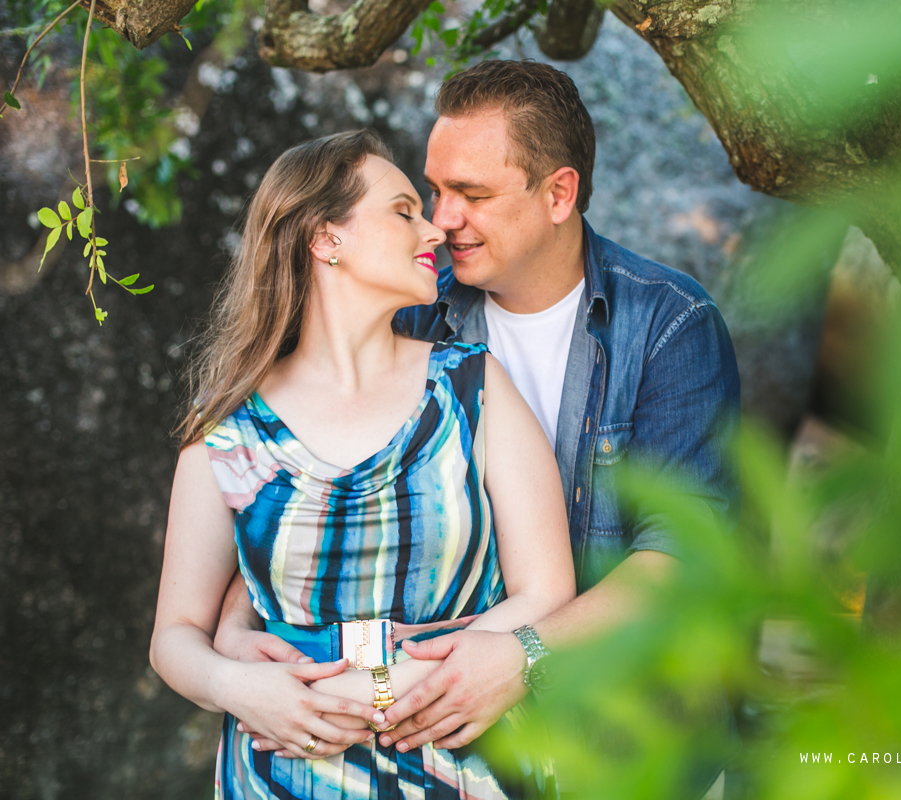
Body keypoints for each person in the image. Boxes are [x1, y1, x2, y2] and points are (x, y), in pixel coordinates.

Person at [218, 61, 741, 798]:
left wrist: (523, 654)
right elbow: (301, 486)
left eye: (473, 194)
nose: (442, 220)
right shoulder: (410, 310)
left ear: (558, 194)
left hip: (629, 738)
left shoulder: (668, 324)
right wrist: (238, 631)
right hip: (444, 747)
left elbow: (683, 557)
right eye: (434, 191)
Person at [149, 128, 576, 799]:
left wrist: (378, 688)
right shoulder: (229, 426)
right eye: (404, 211)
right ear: (326, 239)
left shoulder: (473, 387)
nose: (435, 230)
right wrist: (236, 686)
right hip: (287, 771)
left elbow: (547, 592)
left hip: (465, 761)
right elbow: (175, 636)